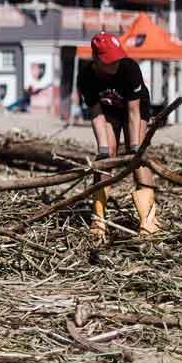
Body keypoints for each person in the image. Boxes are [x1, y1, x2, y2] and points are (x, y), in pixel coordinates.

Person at [77, 33, 160, 239]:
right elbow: (96, 115)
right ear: (96, 59)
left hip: (136, 109)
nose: (115, 63)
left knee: (138, 160)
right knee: (106, 159)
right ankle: (99, 219)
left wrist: (134, 148)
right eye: (109, 60)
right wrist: (103, 151)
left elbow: (133, 112)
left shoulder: (129, 68)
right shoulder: (86, 77)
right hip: (109, 112)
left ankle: (149, 220)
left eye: (116, 58)